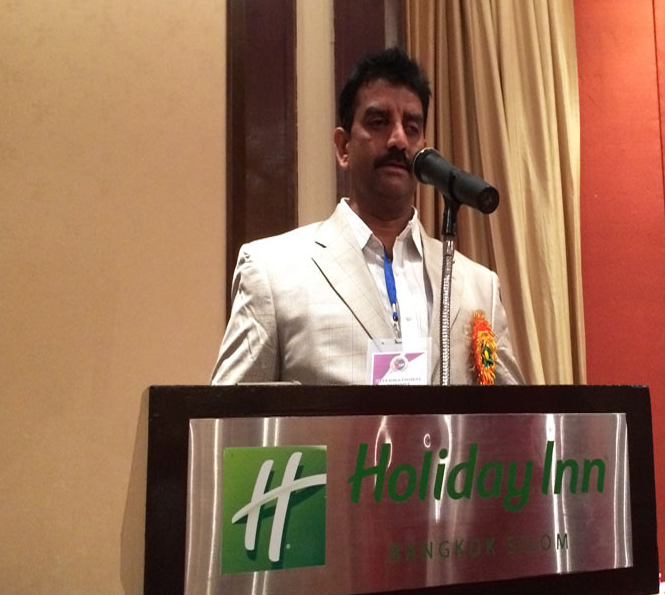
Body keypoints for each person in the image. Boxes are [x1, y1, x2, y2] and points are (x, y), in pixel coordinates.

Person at [210, 48, 523, 386]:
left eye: (412, 127)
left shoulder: (478, 286)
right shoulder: (272, 273)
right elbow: (229, 414)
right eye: (379, 122)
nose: (398, 139)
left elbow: (516, 414)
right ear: (343, 147)